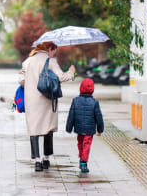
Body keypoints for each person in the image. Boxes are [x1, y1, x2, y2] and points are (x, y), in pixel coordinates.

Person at [18, 42, 75, 172]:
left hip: (31, 100)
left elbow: (21, 81)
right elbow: (62, 77)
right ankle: (46, 159)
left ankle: (37, 161)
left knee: (34, 129)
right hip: (47, 100)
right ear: (49, 49)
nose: (54, 53)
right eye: (54, 50)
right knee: (47, 128)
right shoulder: (51, 61)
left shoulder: (28, 61)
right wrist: (71, 72)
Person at [66, 78, 104, 173]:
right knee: (86, 144)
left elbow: (71, 114)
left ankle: (81, 157)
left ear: (81, 87)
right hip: (90, 129)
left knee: (80, 143)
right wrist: (100, 129)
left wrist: (69, 128)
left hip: (79, 127)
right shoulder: (95, 102)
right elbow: (98, 116)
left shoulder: (75, 100)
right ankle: (84, 163)